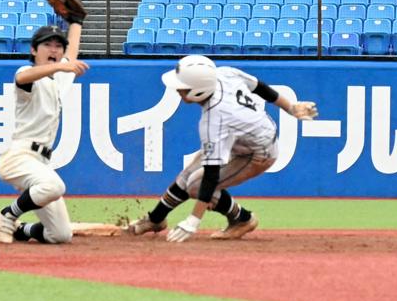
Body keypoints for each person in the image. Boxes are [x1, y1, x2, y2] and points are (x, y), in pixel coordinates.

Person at [128, 55, 318, 242]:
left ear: (198, 91)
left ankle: (243, 219)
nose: (177, 89)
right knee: (187, 176)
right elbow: (259, 87)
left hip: (258, 153)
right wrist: (290, 108)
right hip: (239, 138)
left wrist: (193, 220)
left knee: (195, 185)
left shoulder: (214, 119)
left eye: (182, 87)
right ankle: (155, 219)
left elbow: (211, 177)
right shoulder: (225, 74)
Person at [0, 18, 88, 245]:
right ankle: (7, 215)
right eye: (47, 45)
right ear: (34, 50)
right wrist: (60, 65)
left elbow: (70, 55)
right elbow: (21, 78)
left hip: (40, 161)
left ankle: (20, 230)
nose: (54, 50)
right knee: (55, 186)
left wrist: (77, 22)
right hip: (19, 156)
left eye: (58, 46)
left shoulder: (58, 79)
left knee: (60, 234)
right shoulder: (29, 72)